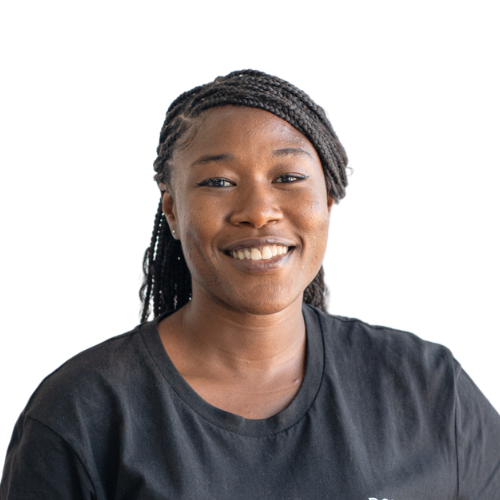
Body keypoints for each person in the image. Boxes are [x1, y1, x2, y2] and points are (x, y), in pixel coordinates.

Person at [1, 69, 499, 499]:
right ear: (172, 210)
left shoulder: (433, 391)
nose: (259, 212)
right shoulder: (81, 412)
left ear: (329, 200)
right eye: (218, 182)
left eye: (288, 178)